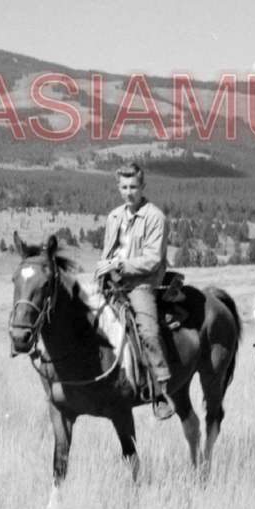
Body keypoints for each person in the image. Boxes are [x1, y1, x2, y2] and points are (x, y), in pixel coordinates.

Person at [96, 160, 175, 419]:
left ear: (143, 186)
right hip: (113, 283)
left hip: (141, 285)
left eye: (133, 186)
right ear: (118, 188)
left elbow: (152, 260)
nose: (128, 192)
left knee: (148, 332)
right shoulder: (114, 217)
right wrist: (102, 270)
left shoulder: (155, 217)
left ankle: (161, 388)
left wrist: (119, 264)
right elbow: (108, 251)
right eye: (124, 187)